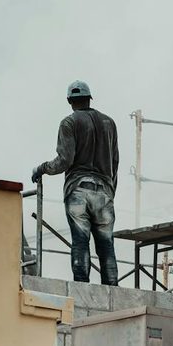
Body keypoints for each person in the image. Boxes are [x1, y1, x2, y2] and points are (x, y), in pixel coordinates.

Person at [32, 80, 120, 285]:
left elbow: (64, 161)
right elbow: (115, 161)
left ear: (69, 101)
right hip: (105, 191)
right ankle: (112, 288)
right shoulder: (109, 123)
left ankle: (82, 287)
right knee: (106, 244)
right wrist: (110, 190)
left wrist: (42, 168)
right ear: (89, 98)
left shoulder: (69, 123)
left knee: (81, 241)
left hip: (78, 189)